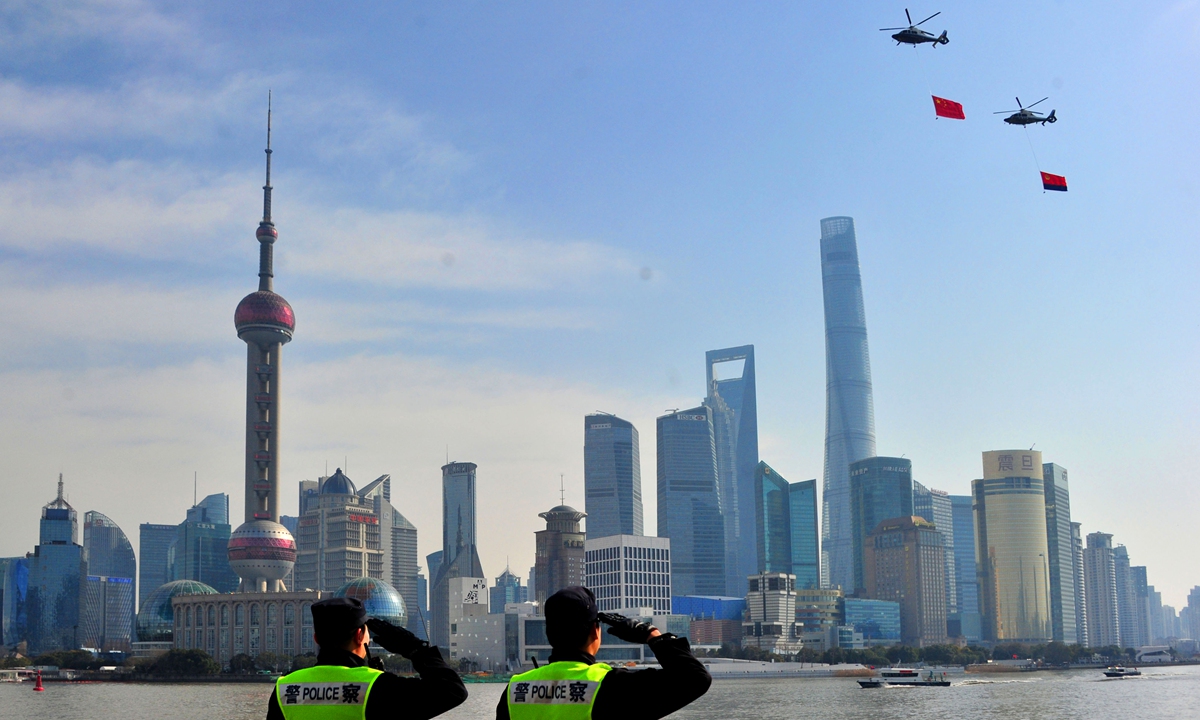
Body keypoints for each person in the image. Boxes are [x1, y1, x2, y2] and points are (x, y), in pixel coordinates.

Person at [496, 587, 711, 720]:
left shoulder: (514, 690)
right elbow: (695, 679)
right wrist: (652, 634)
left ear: (549, 633)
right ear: (595, 631)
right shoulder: (611, 687)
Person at [268, 597, 467, 720]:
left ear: (317, 639)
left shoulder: (284, 688)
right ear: (359, 636)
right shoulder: (378, 687)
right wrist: (414, 648)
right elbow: (452, 690)